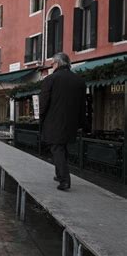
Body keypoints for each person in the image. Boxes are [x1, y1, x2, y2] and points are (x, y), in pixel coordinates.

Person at [40, 52, 86, 191]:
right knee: (62, 148)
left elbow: (44, 102)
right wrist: (81, 123)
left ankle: (64, 180)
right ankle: (60, 175)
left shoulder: (51, 79)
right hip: (71, 122)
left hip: (54, 121)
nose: (51, 66)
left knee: (57, 148)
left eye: (52, 63)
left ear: (58, 63)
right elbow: (82, 105)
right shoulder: (79, 80)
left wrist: (41, 118)